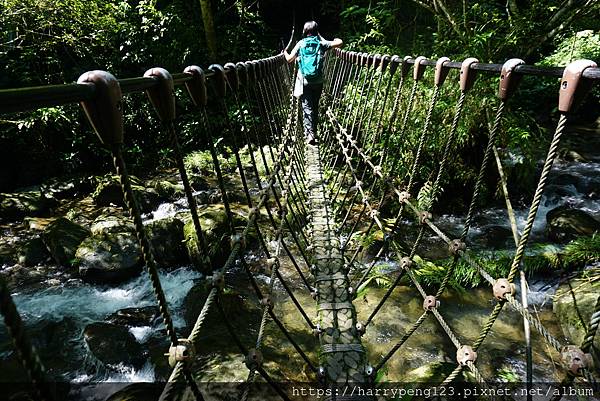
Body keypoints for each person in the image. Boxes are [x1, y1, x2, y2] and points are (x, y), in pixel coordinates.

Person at [284, 21, 343, 145]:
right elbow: (339, 42)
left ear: (305, 32)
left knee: (307, 107)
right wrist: (322, 37)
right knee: (314, 107)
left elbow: (289, 59)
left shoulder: (300, 43)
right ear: (317, 32)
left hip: (304, 81)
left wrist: (284, 51)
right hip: (318, 81)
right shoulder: (321, 43)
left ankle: (310, 135)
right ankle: (313, 132)